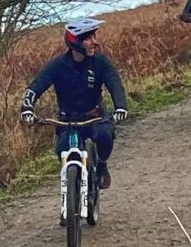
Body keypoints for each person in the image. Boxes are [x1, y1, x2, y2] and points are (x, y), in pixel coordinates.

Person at [19, 17, 130, 192]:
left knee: (104, 138)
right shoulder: (58, 65)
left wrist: (120, 107)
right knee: (62, 150)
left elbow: (115, 84)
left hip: (94, 117)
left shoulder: (100, 62)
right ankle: (71, 193)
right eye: (89, 38)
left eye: (94, 36)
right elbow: (36, 87)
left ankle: (101, 165)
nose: (95, 42)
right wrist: (27, 109)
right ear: (76, 42)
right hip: (67, 120)